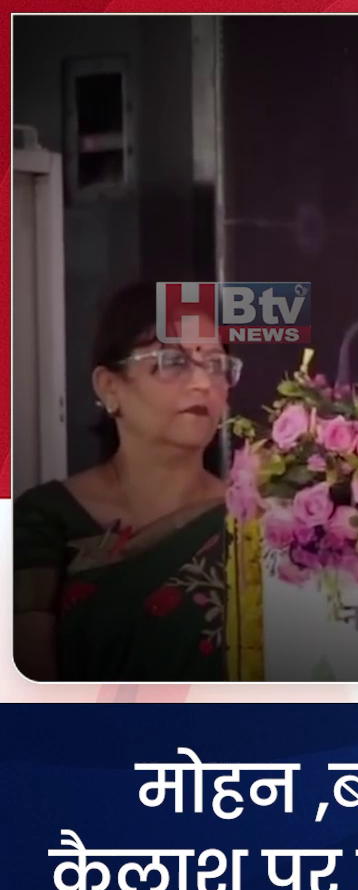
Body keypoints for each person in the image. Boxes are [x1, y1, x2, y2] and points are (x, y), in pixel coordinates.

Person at [12, 281, 242, 682]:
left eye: (216, 365)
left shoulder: (252, 521)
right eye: (172, 361)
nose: (204, 384)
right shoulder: (45, 519)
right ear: (110, 387)